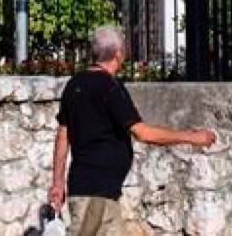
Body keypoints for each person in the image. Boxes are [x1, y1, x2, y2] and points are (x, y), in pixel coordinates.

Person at [49, 25, 217, 235]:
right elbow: (142, 132)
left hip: (97, 191)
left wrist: (57, 182)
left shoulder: (74, 84)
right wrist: (191, 137)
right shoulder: (109, 87)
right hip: (95, 193)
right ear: (119, 54)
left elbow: (63, 135)